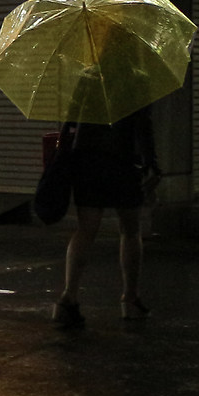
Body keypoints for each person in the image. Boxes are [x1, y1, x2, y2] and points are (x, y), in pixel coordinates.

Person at [51, 105, 158, 328]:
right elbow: (142, 124)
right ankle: (130, 299)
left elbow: (71, 118)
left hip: (87, 160)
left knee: (86, 229)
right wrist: (151, 163)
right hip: (124, 160)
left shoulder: (87, 75)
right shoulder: (136, 78)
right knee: (130, 230)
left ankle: (68, 298)